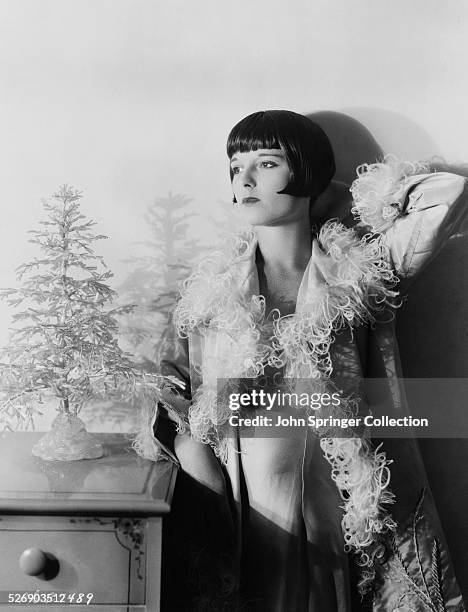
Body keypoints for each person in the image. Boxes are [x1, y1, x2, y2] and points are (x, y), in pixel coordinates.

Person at [140, 110, 467, 611]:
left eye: (266, 163)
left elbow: (448, 196)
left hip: (341, 507)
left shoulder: (359, 272)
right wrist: (193, 453)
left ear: (308, 173)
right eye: (235, 166)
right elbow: (168, 391)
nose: (244, 179)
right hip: (247, 507)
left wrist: (338, 194)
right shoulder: (212, 296)